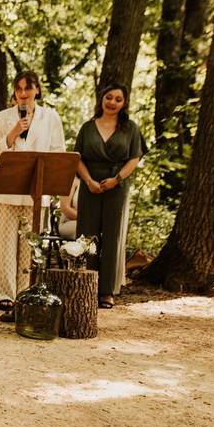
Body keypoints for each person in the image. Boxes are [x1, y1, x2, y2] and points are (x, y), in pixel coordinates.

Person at [0, 70, 66, 321]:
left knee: (31, 245)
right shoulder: (2, 118)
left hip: (36, 194)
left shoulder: (51, 117)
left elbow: (58, 152)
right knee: (6, 245)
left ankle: (25, 291)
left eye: (27, 89)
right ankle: (5, 294)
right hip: (8, 191)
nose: (22, 94)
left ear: (37, 90)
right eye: (18, 89)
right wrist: (11, 134)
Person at [74, 82, 147, 308]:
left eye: (118, 99)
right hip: (90, 184)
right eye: (109, 97)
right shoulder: (87, 127)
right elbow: (77, 158)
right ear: (101, 99)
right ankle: (86, 285)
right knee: (87, 236)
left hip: (117, 185)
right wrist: (89, 181)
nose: (112, 102)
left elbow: (134, 158)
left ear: (124, 103)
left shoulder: (130, 128)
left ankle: (106, 291)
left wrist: (117, 180)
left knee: (113, 236)